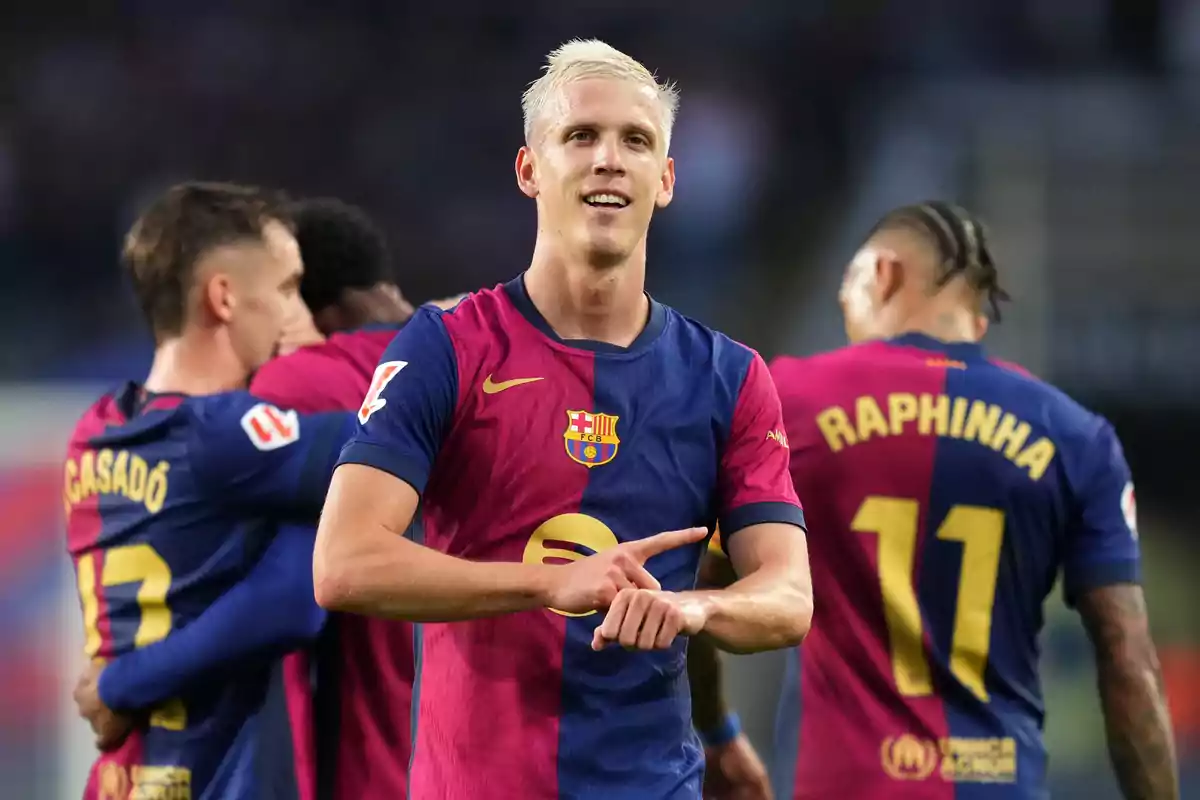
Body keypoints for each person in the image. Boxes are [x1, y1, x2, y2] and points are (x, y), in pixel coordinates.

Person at [312, 39, 813, 799]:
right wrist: (547, 585)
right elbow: (344, 563)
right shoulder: (447, 348)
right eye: (581, 136)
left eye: (636, 141)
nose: (610, 159)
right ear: (529, 170)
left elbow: (787, 596)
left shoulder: (730, 378)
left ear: (667, 180)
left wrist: (693, 606)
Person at [692, 201, 1179, 799]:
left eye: (846, 288)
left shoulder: (786, 399)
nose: (844, 309)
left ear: (883, 274)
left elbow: (702, 592)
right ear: (976, 320)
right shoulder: (1076, 435)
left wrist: (716, 732)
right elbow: (1128, 660)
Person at [73, 195, 463, 800]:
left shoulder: (95, 431)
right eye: (286, 288)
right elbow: (300, 586)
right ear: (224, 297)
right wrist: (456, 344)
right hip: (221, 777)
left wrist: (121, 684)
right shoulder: (234, 434)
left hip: (122, 777)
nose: (293, 316)